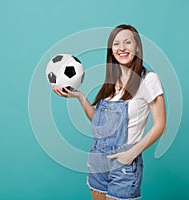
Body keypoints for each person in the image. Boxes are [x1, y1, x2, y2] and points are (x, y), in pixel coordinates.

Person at [53, 24, 166, 200]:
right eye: (116, 44)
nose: (122, 48)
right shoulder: (112, 82)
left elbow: (160, 125)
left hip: (124, 161)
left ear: (137, 47)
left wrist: (132, 153)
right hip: (98, 158)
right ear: (111, 50)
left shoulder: (149, 80)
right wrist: (80, 97)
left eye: (127, 42)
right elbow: (101, 125)